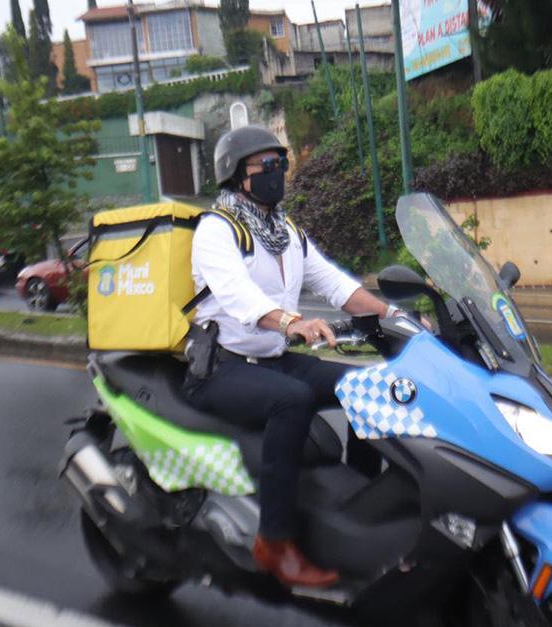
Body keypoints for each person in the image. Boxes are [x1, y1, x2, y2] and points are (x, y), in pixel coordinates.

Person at [186, 126, 402, 589]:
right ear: (235, 175)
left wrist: (399, 318)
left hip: (273, 357)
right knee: (292, 400)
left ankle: (358, 506)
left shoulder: (286, 233)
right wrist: (290, 322)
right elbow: (239, 297)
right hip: (221, 367)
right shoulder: (216, 231)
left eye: (280, 164)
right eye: (266, 166)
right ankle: (274, 541)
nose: (276, 173)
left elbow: (337, 285)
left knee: (368, 387)